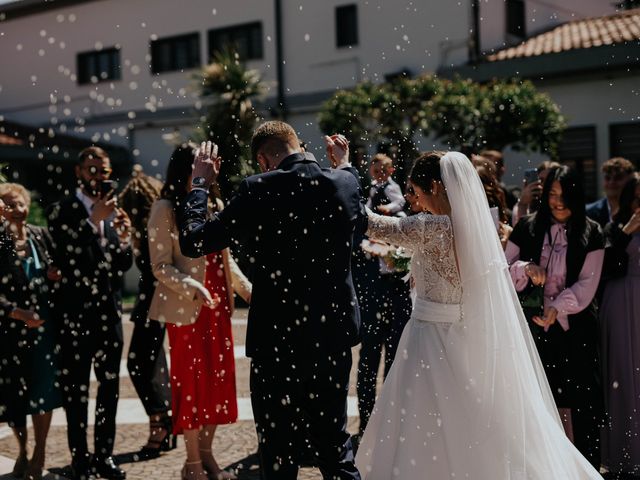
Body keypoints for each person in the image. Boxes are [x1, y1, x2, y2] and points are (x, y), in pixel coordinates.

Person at [355, 151, 602, 479]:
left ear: (434, 186)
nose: (416, 201)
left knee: (423, 426)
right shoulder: (478, 230)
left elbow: (371, 223)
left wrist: (341, 171)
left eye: (417, 192)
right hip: (465, 337)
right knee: (472, 420)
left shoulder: (431, 227)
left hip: (427, 340)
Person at [178, 123, 366, 480]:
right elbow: (353, 211)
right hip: (331, 340)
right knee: (335, 448)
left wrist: (199, 185)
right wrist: (344, 164)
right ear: (298, 145)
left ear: (263, 159)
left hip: (278, 344)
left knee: (279, 452)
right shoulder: (345, 183)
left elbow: (194, 241)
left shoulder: (257, 188)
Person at [148, 145, 251, 480]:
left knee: (216, 386)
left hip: (218, 307)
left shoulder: (214, 204)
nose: (211, 166)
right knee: (191, 386)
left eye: (211, 162)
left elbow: (225, 259)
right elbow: (159, 266)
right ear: (185, 168)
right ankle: (192, 463)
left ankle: (207, 458)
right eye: (202, 162)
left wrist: (248, 289)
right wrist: (194, 288)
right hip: (188, 309)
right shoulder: (164, 208)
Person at [506, 165, 605, 468]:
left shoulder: (592, 231)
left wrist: (557, 307)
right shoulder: (527, 227)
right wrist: (524, 268)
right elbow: (501, 269)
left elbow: (588, 283)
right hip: (533, 333)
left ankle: (585, 468)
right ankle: (542, 469)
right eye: (552, 194)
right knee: (537, 401)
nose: (558, 202)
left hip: (576, 330)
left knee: (582, 402)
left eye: (564, 195)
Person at [48, 146, 132, 480]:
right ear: (79, 172)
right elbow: (67, 258)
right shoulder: (61, 210)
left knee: (109, 387)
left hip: (108, 315)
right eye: (92, 169)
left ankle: (104, 456)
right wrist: (92, 221)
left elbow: (121, 265)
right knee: (76, 389)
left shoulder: (113, 210)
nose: (99, 175)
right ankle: (79, 458)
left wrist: (124, 239)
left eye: (104, 169)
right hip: (74, 315)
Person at [0, 183, 62, 480]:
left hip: (44, 328)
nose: (17, 209)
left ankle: (39, 453)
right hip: (10, 332)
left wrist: (54, 275)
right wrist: (15, 311)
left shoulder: (41, 235)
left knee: (43, 392)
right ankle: (23, 450)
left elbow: (57, 270)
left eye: (20, 203)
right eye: (9, 204)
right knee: (15, 397)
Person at [118, 168, 175, 460]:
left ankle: (161, 422)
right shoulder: (156, 225)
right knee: (153, 363)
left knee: (139, 363)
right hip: (154, 300)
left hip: (153, 302)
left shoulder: (151, 230)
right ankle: (165, 421)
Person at [356, 153, 411, 438]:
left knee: (394, 358)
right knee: (368, 359)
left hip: (397, 292)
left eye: (382, 169)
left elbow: (408, 255)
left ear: (390, 170)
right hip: (372, 291)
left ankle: (390, 423)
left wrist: (396, 257)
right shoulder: (365, 198)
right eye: (373, 168)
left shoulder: (399, 203)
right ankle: (366, 422)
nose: (376, 173)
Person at [599, 172, 640, 476]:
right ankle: (626, 454)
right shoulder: (614, 227)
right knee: (622, 375)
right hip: (622, 302)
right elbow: (607, 266)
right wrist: (627, 230)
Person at [587, 157, 636, 228]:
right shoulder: (588, 213)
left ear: (630, 181)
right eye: (607, 178)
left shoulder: (636, 211)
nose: (611, 182)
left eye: (618, 178)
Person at [512, 160, 561, 225]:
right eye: (541, 180)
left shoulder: (562, 206)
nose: (544, 184)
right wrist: (523, 204)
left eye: (549, 180)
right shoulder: (526, 206)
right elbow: (520, 231)